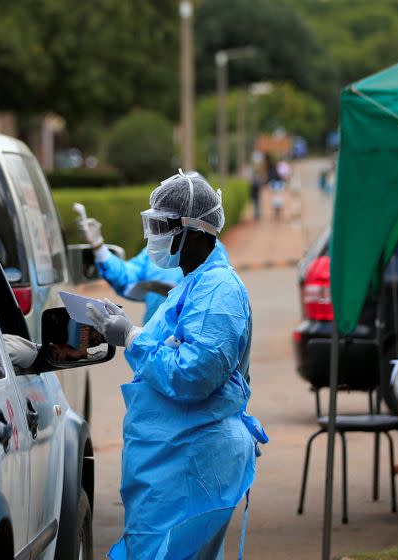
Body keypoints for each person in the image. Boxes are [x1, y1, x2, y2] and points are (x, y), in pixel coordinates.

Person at [86, 169, 267, 559]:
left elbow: (193, 374)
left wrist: (132, 338)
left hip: (193, 458)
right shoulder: (193, 283)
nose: (154, 235)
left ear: (197, 230)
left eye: (163, 225)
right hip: (172, 456)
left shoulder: (220, 289)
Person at [78, 213, 231, 324]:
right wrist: (99, 248)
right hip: (152, 341)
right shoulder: (157, 250)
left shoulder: (215, 254)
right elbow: (126, 276)